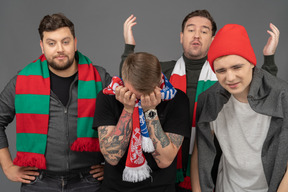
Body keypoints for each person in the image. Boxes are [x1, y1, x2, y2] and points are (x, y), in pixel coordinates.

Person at [120, 10, 280, 192]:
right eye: (190, 30)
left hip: (211, 161)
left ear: (213, 39)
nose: (196, 35)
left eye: (204, 31)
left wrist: (269, 59)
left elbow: (261, 88)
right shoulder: (163, 71)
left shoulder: (224, 75)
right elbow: (131, 82)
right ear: (181, 36)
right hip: (166, 164)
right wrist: (129, 49)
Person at [0, 13, 111, 191]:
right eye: (51, 43)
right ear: (42, 46)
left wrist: (113, 167)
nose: (59, 49)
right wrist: (7, 167)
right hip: (38, 182)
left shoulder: (100, 78)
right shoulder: (22, 81)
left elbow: (127, 118)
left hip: (88, 182)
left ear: (75, 43)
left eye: (65, 42)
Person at [196, 23, 288, 192]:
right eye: (221, 70)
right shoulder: (209, 99)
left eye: (237, 67)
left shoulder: (282, 95)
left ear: (252, 63)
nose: (230, 77)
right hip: (227, 187)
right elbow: (200, 152)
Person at [94, 52, 190, 192]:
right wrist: (128, 109)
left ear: (159, 80)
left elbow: (164, 160)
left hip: (160, 188)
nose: (141, 99)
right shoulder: (107, 96)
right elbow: (111, 157)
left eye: (148, 93)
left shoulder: (177, 99)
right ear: (124, 80)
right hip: (115, 188)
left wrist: (150, 111)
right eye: (136, 95)